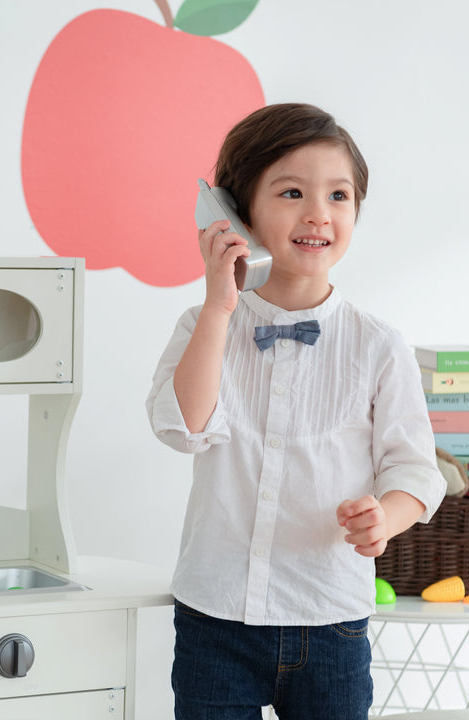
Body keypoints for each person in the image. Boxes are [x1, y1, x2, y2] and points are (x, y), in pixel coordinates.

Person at [146, 103, 446, 719]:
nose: (318, 214)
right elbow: (184, 427)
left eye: (339, 195)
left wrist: (384, 518)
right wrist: (219, 309)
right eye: (291, 192)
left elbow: (416, 471)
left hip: (329, 619)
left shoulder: (376, 343)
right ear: (235, 212)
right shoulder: (204, 325)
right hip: (215, 617)